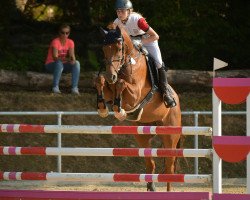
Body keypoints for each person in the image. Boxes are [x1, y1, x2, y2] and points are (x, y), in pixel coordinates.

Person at [113, 0, 176, 108]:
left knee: (158, 63)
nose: (120, 13)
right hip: (132, 44)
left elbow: (155, 36)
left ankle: (166, 93)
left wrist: (140, 42)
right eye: (118, 11)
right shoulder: (116, 23)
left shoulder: (138, 20)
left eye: (122, 11)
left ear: (129, 11)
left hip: (148, 41)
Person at [45, 24, 80, 94]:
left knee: (77, 63)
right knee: (58, 62)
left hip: (62, 65)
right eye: (63, 32)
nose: (65, 35)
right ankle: (55, 87)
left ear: (69, 33)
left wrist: (73, 60)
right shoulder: (55, 42)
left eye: (67, 33)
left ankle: (74, 88)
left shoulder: (70, 42)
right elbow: (55, 57)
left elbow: (72, 56)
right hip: (51, 64)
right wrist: (68, 59)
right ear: (59, 32)